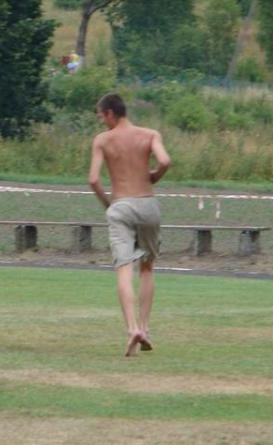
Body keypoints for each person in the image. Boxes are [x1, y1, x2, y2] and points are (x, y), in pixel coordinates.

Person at [88, 93, 171, 357]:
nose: (101, 121)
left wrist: (108, 205)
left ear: (110, 113)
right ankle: (145, 328)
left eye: (101, 116)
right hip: (148, 204)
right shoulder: (150, 135)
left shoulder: (103, 140)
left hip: (121, 205)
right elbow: (165, 161)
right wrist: (154, 176)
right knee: (147, 268)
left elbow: (93, 179)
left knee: (124, 269)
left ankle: (132, 328)